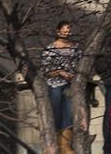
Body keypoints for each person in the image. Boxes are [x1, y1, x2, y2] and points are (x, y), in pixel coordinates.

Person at [42, 20, 80, 154]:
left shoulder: (75, 48)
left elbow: (79, 66)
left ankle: (65, 145)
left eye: (68, 30)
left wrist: (73, 76)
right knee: (57, 113)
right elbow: (46, 71)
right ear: (58, 32)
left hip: (70, 85)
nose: (67, 33)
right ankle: (57, 144)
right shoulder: (50, 49)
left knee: (69, 113)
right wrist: (59, 72)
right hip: (55, 85)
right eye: (64, 31)